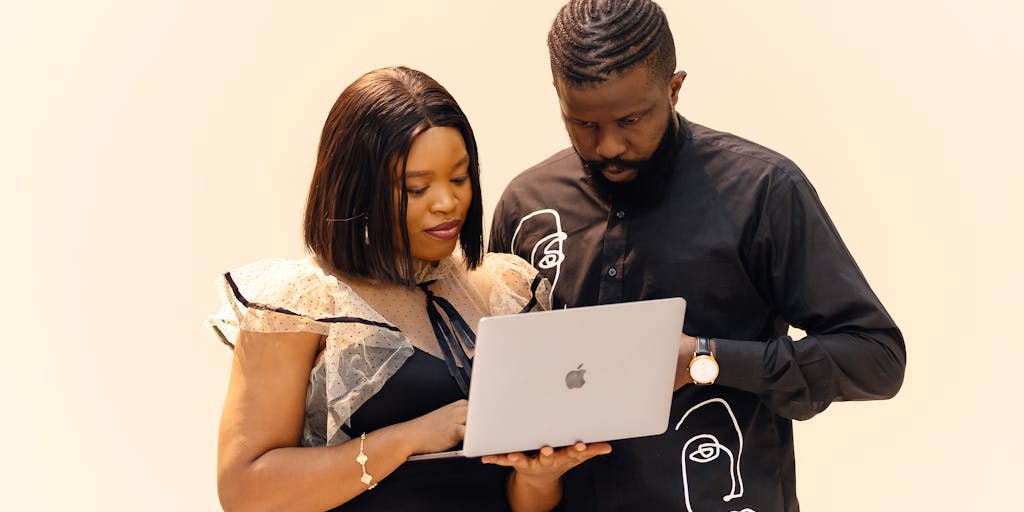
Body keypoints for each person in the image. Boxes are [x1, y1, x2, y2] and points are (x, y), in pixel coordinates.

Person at [489, 1, 907, 511]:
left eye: (631, 119)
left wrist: (705, 359)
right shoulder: (526, 205)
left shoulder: (762, 190)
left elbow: (876, 358)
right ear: (557, 96)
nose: (609, 146)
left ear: (674, 88)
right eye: (583, 124)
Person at [206, 66, 608, 512]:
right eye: (416, 188)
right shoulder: (300, 304)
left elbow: (522, 500)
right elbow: (244, 493)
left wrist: (541, 477)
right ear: (355, 191)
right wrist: (409, 437)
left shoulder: (506, 289)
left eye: (459, 178)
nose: (447, 202)